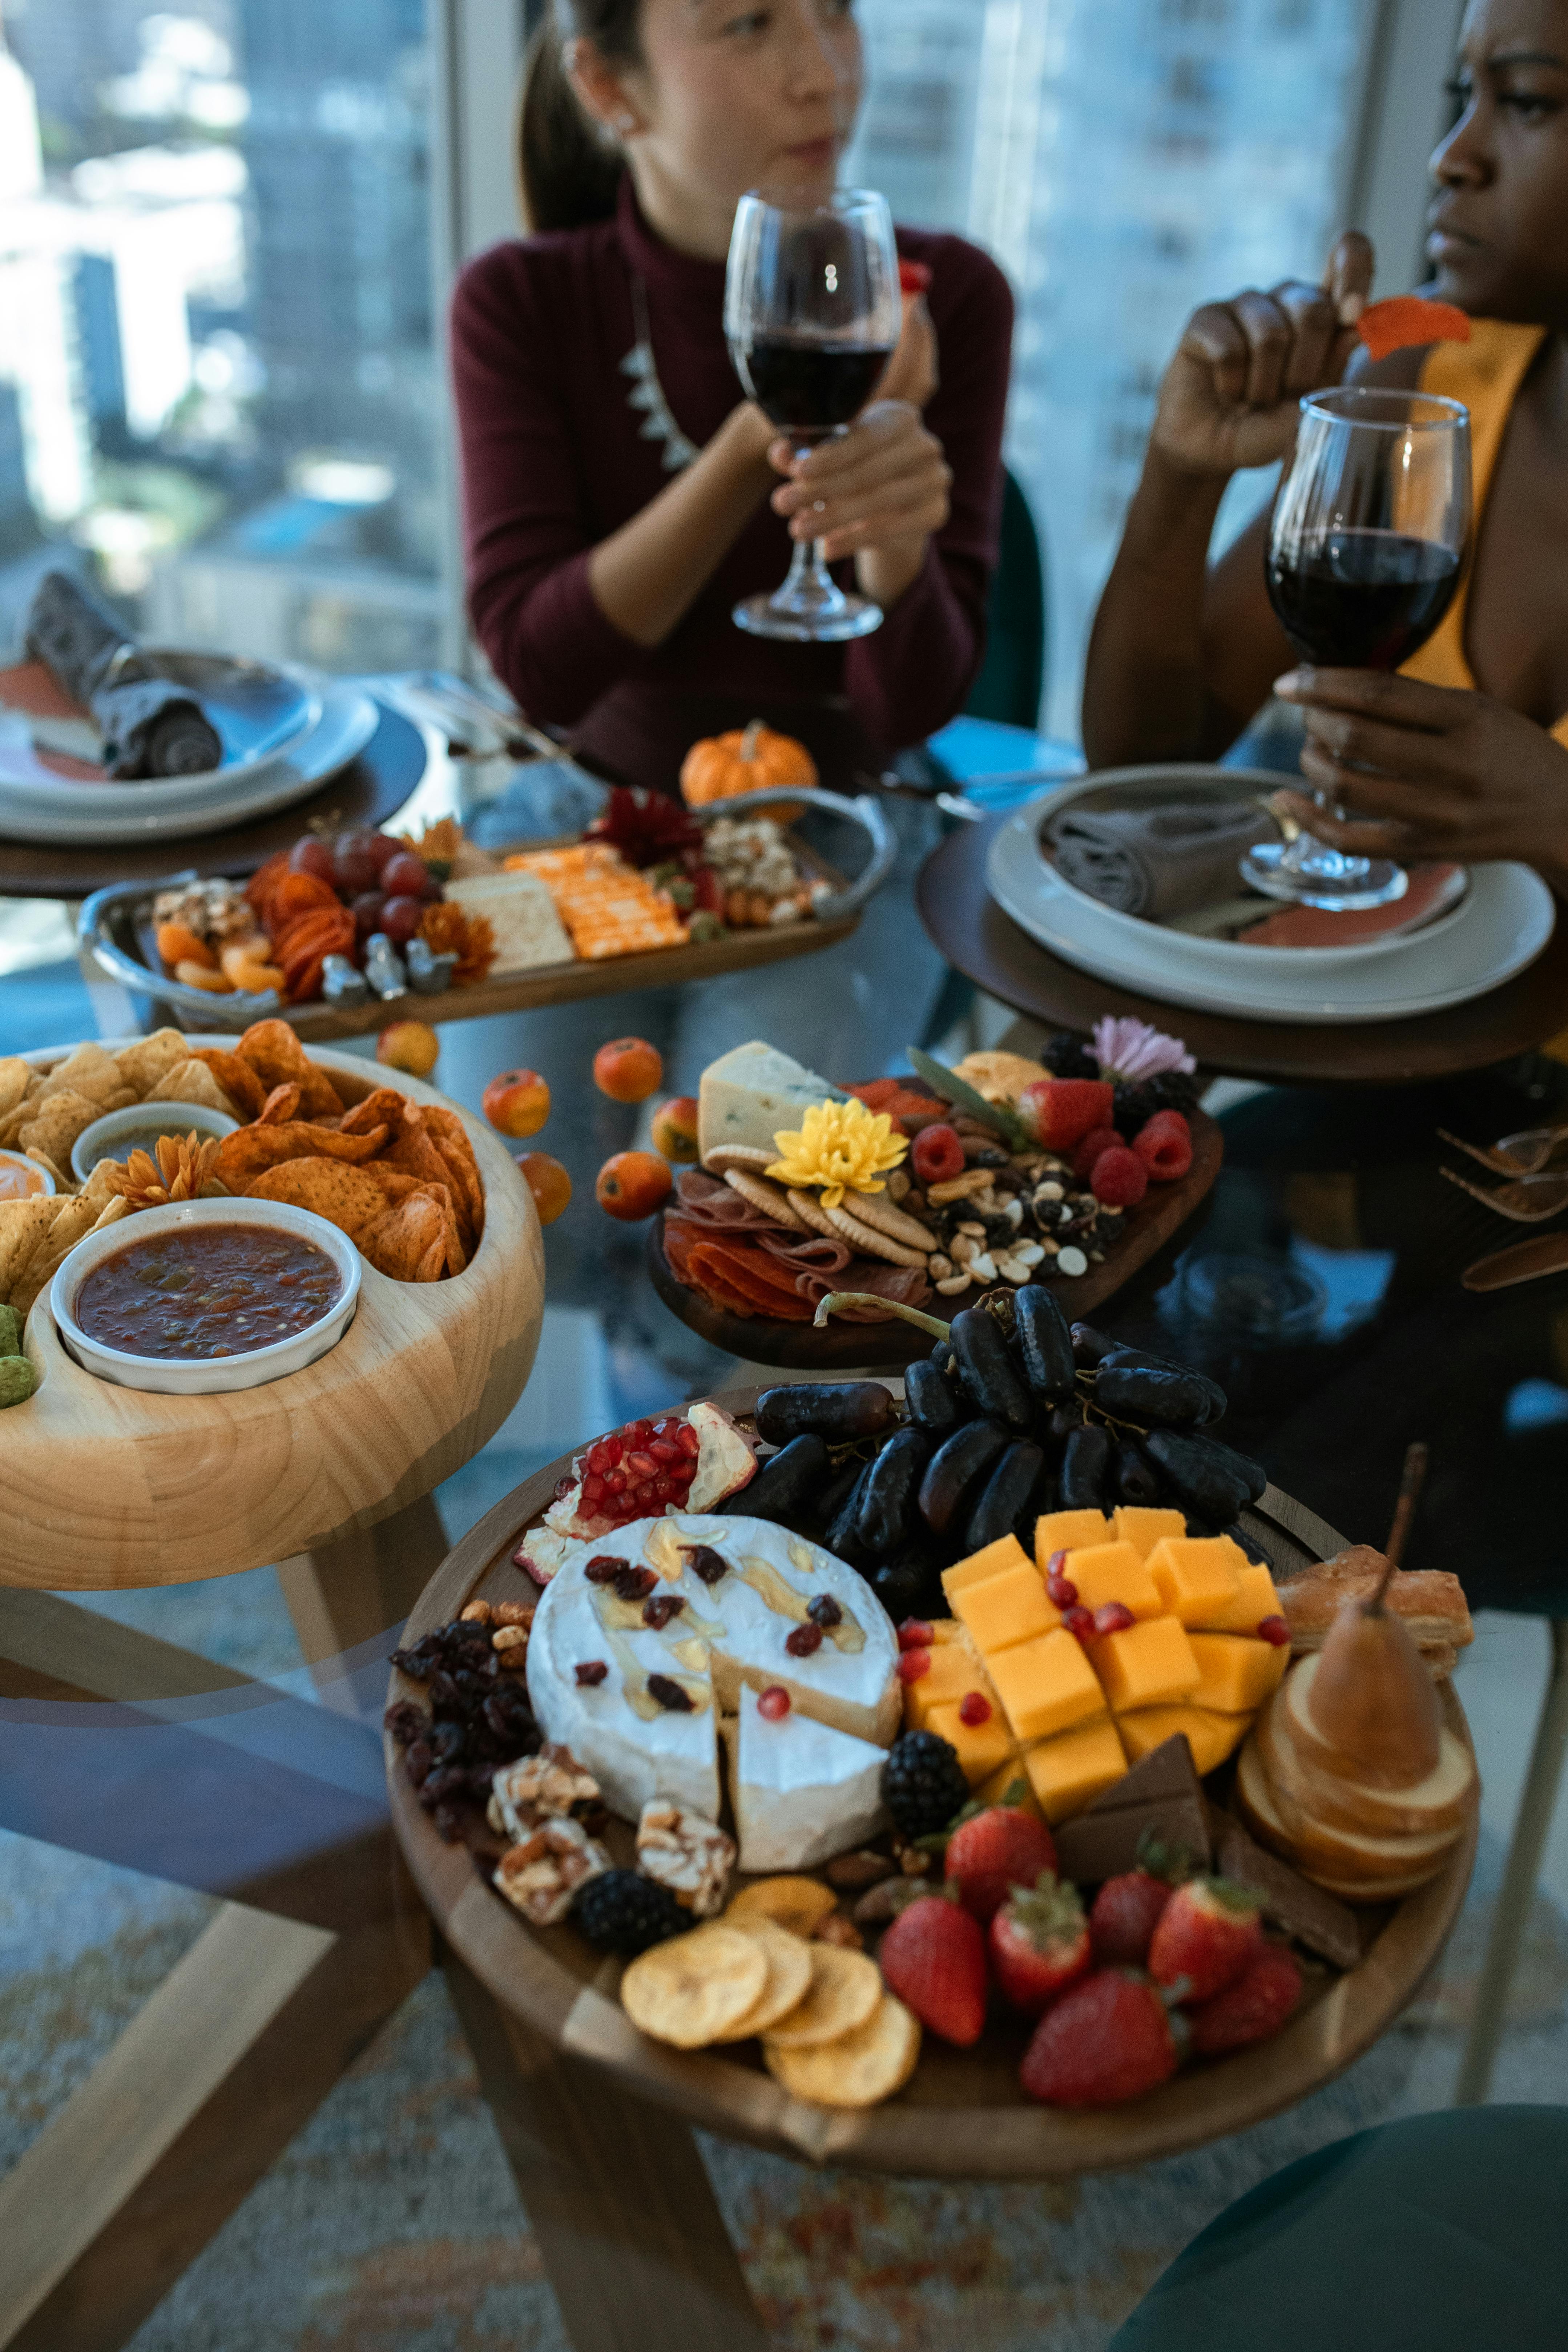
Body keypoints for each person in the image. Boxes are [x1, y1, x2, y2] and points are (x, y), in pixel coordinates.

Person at [450, 0, 1013, 794]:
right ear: (609, 87)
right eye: (749, 24)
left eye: (837, 12)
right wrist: (760, 442)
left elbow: (911, 709)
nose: (827, 76)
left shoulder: (936, 295)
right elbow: (541, 671)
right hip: (600, 813)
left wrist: (884, 505)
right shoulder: (521, 300)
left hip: (862, 812)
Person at [1081, 0, 1568, 896]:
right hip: (1373, 1025)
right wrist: (1184, 471)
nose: (1451, 156)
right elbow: (1140, 762)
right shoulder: (1431, 381)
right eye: (1465, 94)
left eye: (1530, 101)